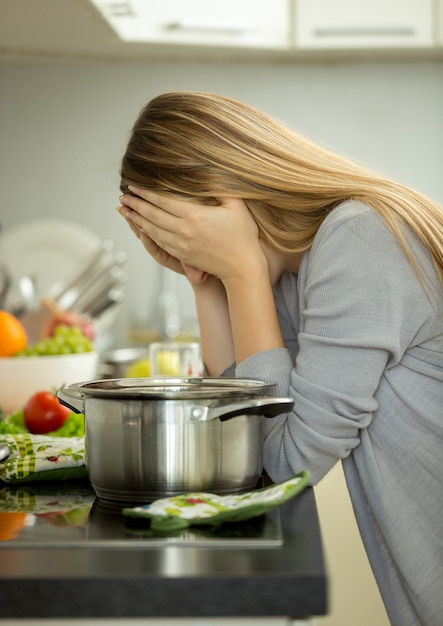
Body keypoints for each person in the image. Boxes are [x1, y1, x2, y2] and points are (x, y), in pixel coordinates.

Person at [117, 91, 443, 626]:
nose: (187, 245)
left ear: (225, 197)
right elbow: (244, 431)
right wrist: (207, 281)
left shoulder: (359, 236)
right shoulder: (292, 270)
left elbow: (287, 463)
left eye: (186, 231)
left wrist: (240, 271)